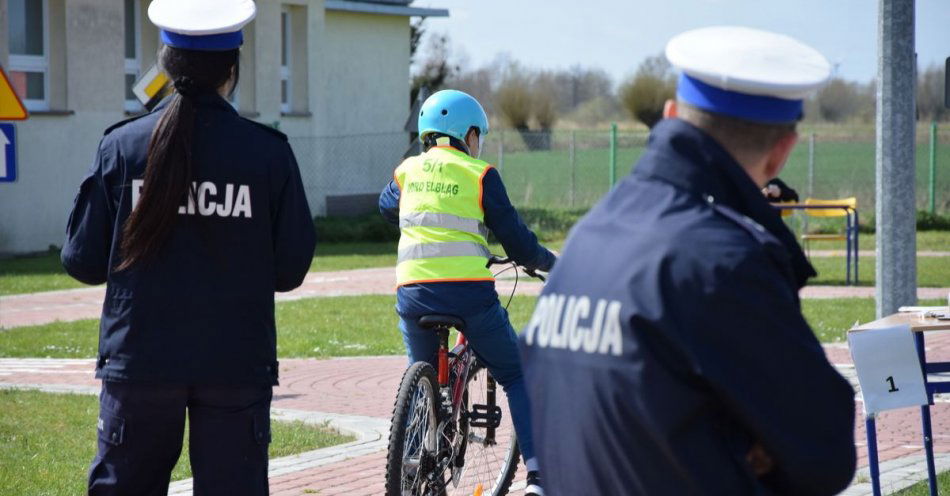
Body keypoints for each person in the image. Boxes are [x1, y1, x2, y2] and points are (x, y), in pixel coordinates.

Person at [519, 26, 856, 495]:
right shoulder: (725, 263)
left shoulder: (589, 235)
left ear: (672, 115)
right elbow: (824, 453)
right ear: (781, 153)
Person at [60, 0, 316, 494]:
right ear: (232, 69)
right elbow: (289, 270)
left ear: (165, 64)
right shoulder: (267, 152)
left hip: (139, 360)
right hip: (235, 363)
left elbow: (82, 261)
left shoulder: (123, 145)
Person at [379, 89, 555, 495]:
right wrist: (547, 261)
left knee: (419, 382)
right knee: (514, 373)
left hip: (413, 292)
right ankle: (538, 478)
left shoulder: (407, 172)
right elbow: (518, 242)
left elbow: (386, 206)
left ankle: (410, 469)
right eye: (479, 136)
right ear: (468, 135)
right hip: (469, 296)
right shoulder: (480, 175)